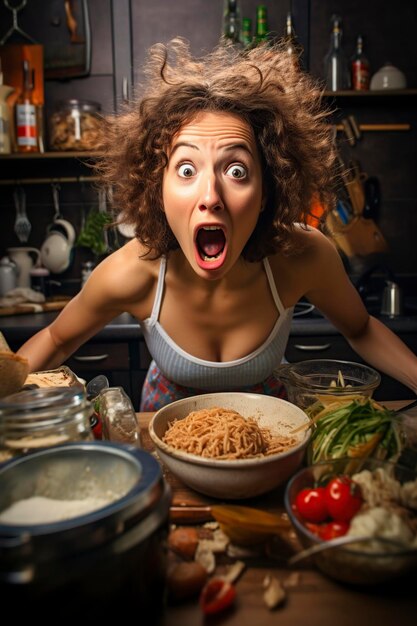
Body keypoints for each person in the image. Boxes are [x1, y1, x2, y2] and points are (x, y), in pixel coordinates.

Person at [17, 39, 417, 410]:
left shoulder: (305, 256)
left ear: (267, 192)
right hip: (164, 432)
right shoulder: (131, 272)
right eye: (187, 169)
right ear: (158, 189)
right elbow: (56, 338)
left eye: (237, 170)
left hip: (270, 432)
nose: (210, 195)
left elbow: (361, 328)